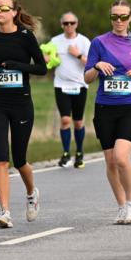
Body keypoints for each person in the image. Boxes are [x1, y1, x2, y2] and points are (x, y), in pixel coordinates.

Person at [0, 0, 47, 229]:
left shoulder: (25, 37)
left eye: (4, 8)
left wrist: (18, 66)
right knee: (1, 158)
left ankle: (31, 193)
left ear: (14, 12)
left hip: (21, 104)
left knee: (19, 159)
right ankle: (5, 213)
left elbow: (41, 68)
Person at [84, 0, 131, 224]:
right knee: (110, 161)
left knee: (121, 158)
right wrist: (97, 66)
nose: (119, 21)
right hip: (104, 108)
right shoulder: (99, 43)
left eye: (123, 17)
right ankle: (122, 206)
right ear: (111, 18)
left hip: (129, 107)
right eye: (115, 16)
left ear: (130, 18)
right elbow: (87, 78)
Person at [49, 12, 91, 169]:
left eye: (72, 23)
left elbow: (92, 63)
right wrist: (47, 59)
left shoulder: (84, 41)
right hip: (61, 85)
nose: (69, 26)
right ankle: (66, 153)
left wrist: (78, 55)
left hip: (80, 85)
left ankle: (79, 152)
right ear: (62, 25)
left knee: (78, 122)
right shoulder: (55, 41)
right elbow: (48, 58)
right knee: (65, 120)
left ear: (76, 24)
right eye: (66, 23)